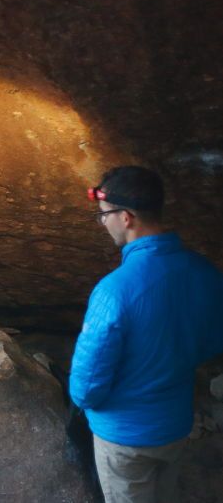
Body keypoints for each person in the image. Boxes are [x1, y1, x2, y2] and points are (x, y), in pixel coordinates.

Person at [69, 165, 223, 503]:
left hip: (124, 438)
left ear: (126, 217)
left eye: (104, 215)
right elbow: (213, 341)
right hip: (174, 425)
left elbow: (87, 384)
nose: (103, 223)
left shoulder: (114, 291)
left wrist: (82, 402)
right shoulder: (205, 273)